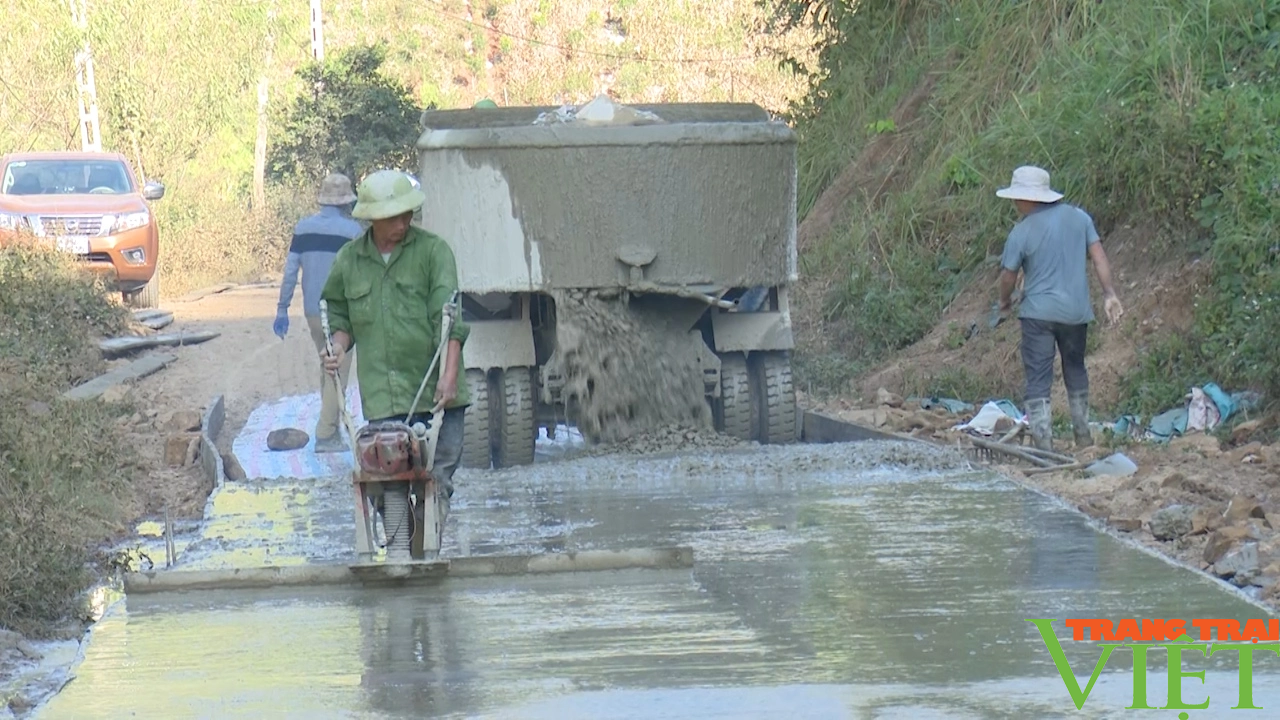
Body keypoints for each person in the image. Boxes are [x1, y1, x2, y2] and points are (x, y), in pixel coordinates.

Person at [319, 170, 471, 504]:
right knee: (389, 491)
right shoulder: (350, 261)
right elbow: (340, 316)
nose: (402, 224)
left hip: (436, 395)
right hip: (383, 398)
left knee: (435, 485)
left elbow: (450, 320)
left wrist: (448, 377)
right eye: (393, 218)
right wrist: (339, 348)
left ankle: (428, 551)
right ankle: (401, 551)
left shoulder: (434, 252)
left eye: (406, 215)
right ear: (372, 219)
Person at [996, 165, 1123, 452]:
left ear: (1029, 198)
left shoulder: (1021, 231)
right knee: (1075, 368)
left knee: (1038, 377)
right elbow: (1099, 257)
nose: (1015, 204)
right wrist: (1109, 294)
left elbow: (1007, 276)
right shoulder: (1080, 218)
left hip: (1038, 315)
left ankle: (1044, 445)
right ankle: (1083, 437)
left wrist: (1004, 302)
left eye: (1017, 198)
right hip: (1076, 314)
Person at [274, 172, 364, 453]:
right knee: (338, 369)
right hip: (341, 316)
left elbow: (290, 272)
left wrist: (282, 309)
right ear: (346, 202)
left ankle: (331, 424)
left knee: (327, 365)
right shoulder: (354, 233)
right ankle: (326, 434)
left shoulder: (303, 229)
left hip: (313, 311)